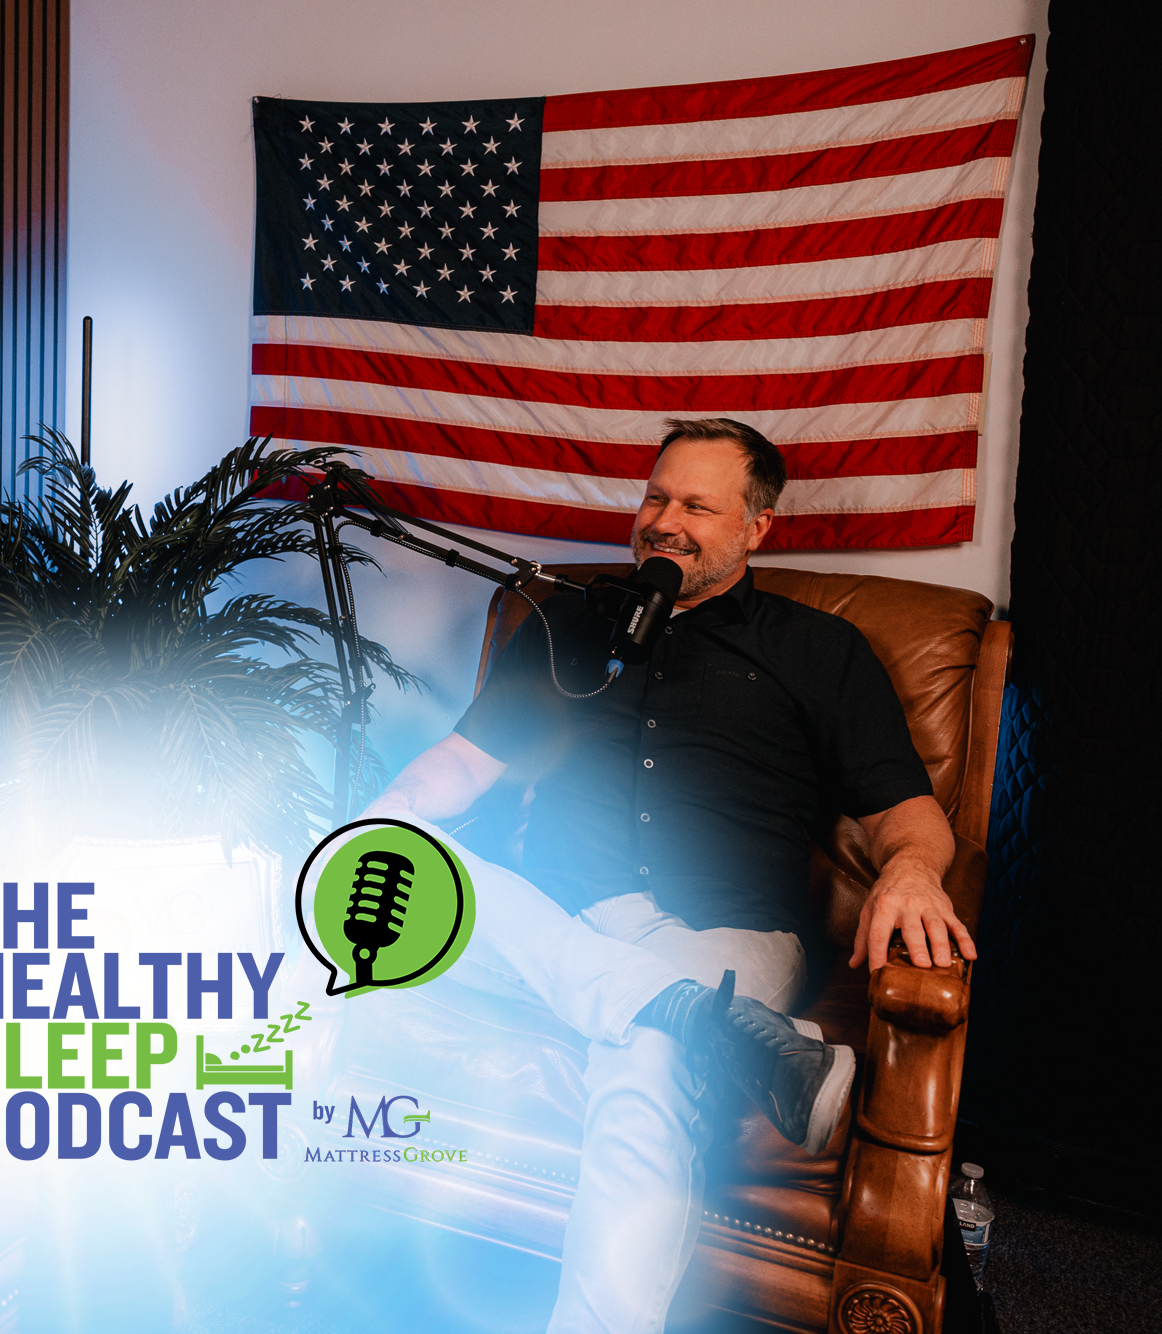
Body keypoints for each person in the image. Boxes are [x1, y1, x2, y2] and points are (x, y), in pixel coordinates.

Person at [363, 418, 973, 1334]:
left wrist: (916, 871)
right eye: (655, 497)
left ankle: (679, 1014)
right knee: (391, 860)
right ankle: (706, 1019)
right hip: (551, 918)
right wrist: (382, 817)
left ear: (756, 528)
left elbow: (906, 812)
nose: (665, 521)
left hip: (725, 935)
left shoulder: (820, 650)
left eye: (697, 505)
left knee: (648, 1058)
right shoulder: (568, 621)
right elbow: (460, 762)